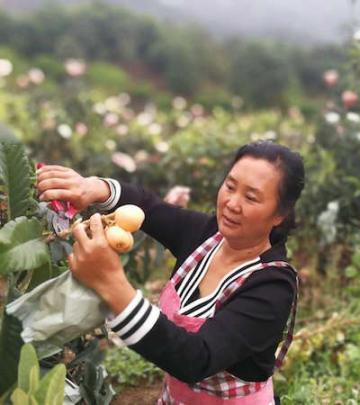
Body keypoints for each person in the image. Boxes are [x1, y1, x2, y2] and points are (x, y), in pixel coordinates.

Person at [36, 141, 304, 404]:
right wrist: (95, 188)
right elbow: (150, 208)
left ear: (280, 214)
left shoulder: (272, 287)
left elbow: (196, 359)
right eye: (230, 186)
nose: (232, 203)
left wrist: (111, 283)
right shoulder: (207, 236)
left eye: (251, 197)